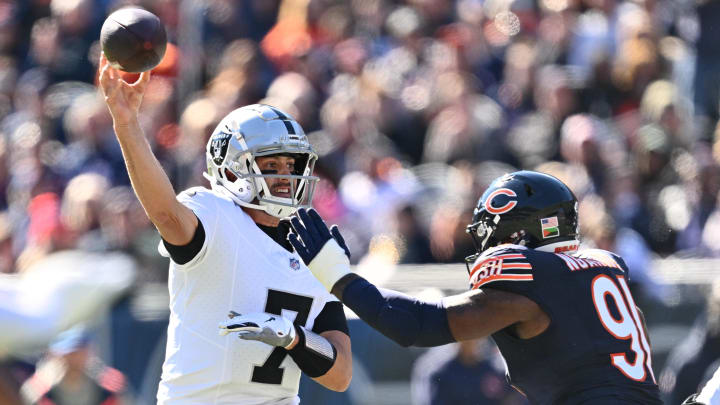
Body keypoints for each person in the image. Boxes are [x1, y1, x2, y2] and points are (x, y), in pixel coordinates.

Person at [97, 54, 351, 404]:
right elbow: (166, 214)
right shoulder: (214, 215)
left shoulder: (317, 247)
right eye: (271, 164)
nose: (286, 176)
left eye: (291, 164)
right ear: (231, 169)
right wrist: (127, 125)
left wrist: (294, 338)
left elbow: (340, 374)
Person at [287, 171, 663, 404]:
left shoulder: (529, 283)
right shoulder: (603, 269)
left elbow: (418, 324)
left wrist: (340, 278)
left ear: (517, 232)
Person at [20, 327, 130, 405]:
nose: (74, 357)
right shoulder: (38, 391)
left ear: (90, 350)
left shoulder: (110, 388)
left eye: (80, 350)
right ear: (53, 354)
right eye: (68, 352)